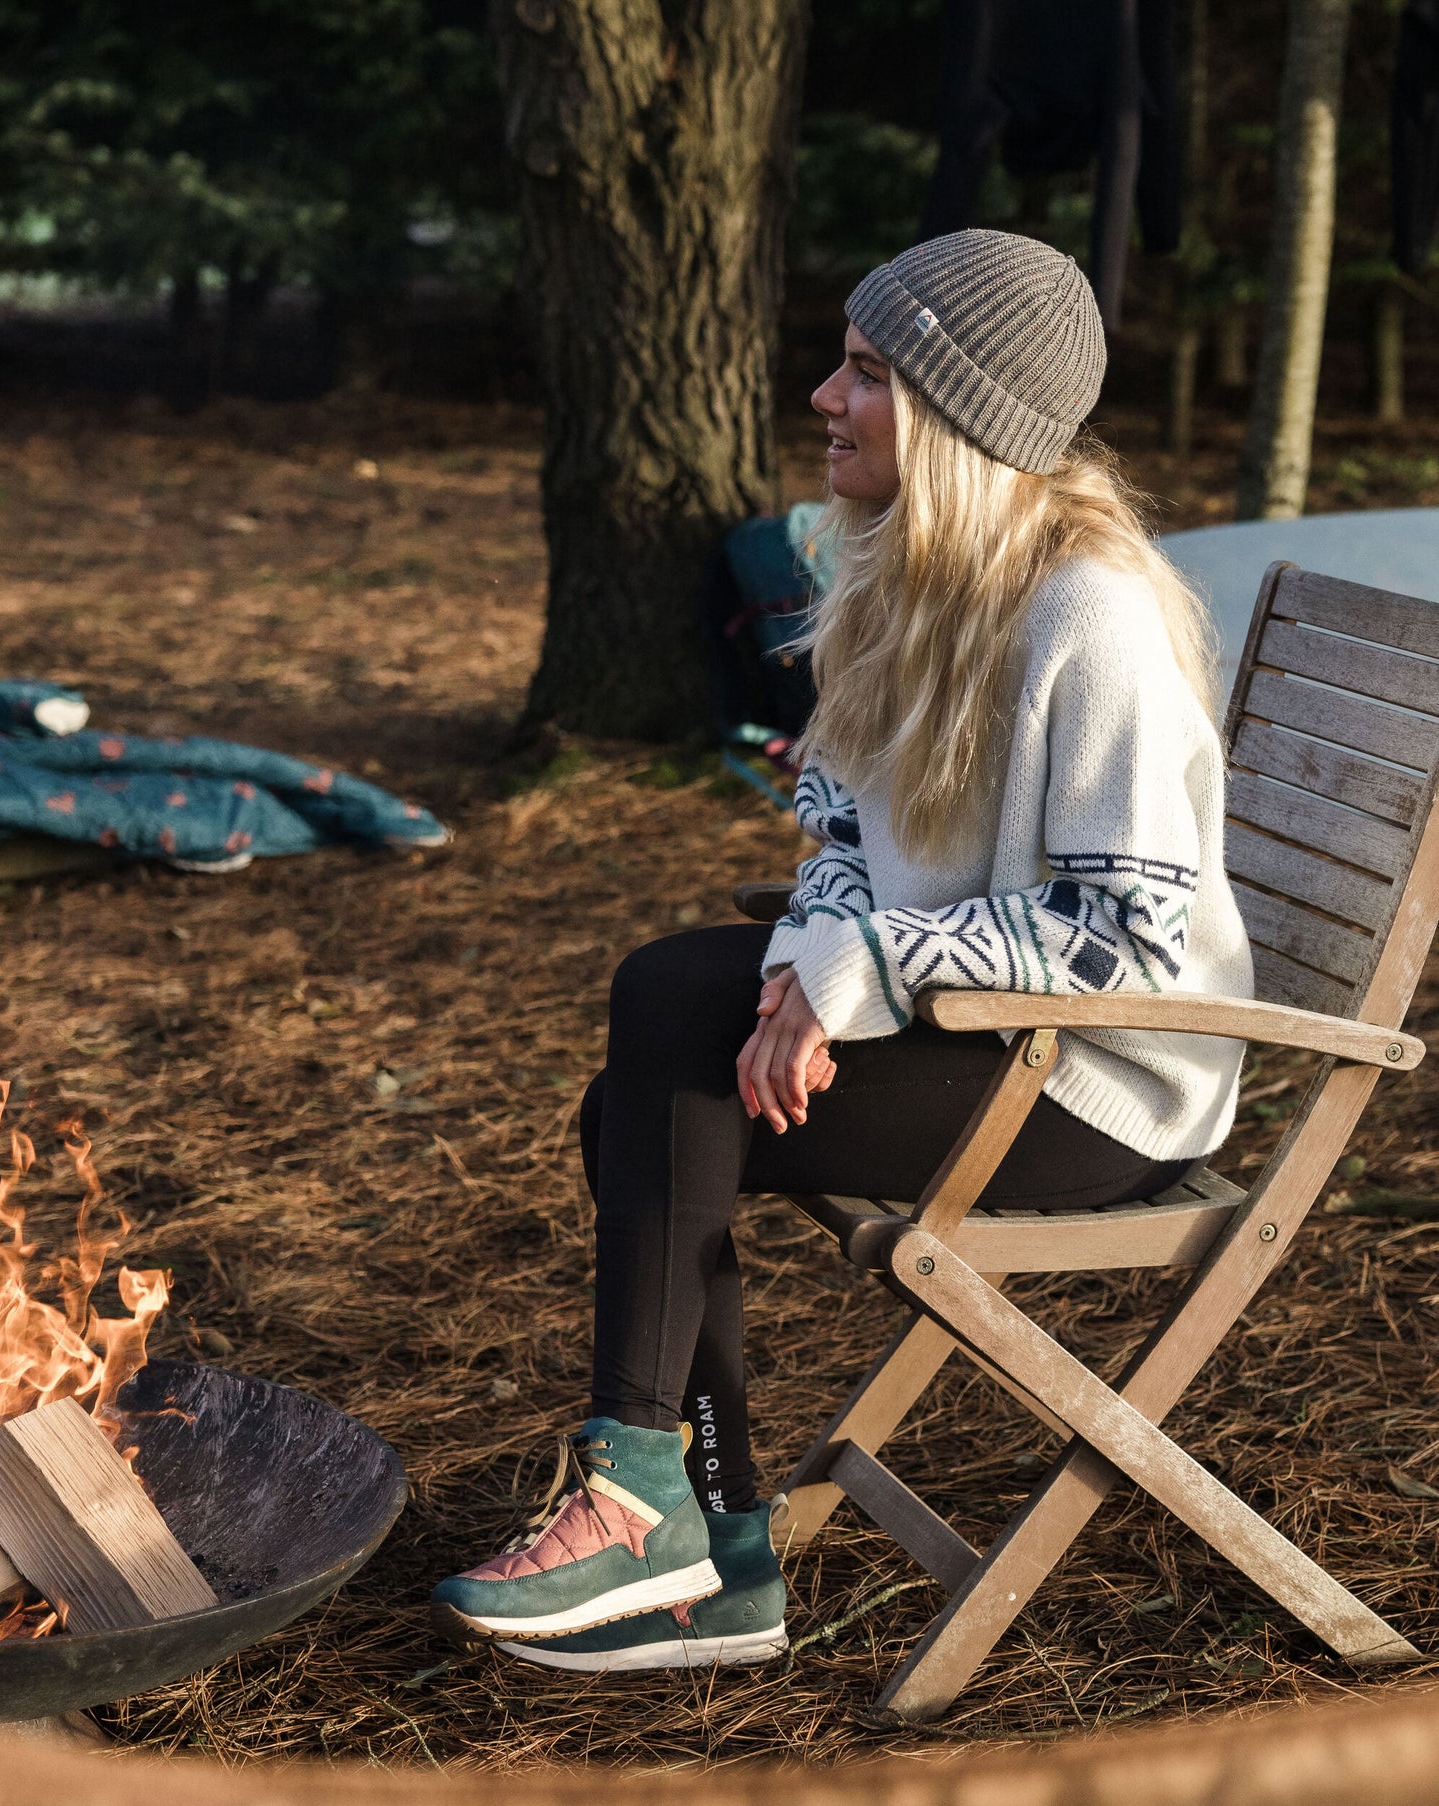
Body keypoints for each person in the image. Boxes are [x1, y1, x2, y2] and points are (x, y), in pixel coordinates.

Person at [430, 229, 1253, 1673]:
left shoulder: (1089, 614)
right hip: (987, 1026)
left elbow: (1121, 938)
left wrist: (852, 969)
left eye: (868, 372)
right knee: (640, 1087)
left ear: (959, 420)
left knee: (660, 1035)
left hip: (1101, 1082)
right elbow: (849, 843)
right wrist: (813, 962)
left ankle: (661, 1519)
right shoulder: (913, 576)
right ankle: (705, 1530)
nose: (823, 395)